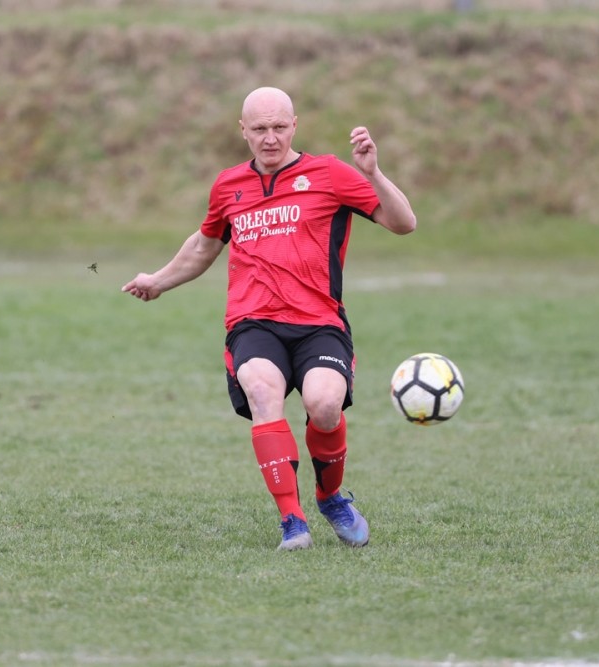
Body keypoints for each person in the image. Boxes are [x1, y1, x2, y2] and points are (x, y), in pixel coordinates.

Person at [122, 86, 416, 550]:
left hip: (319, 322)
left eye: (279, 127)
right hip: (253, 322)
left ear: (295, 125)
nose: (271, 138)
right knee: (262, 392)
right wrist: (158, 280)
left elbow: (403, 223)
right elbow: (203, 245)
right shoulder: (228, 185)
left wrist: (373, 173)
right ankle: (292, 521)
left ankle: (330, 497)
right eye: (260, 128)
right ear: (243, 130)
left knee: (324, 406)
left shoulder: (329, 173)